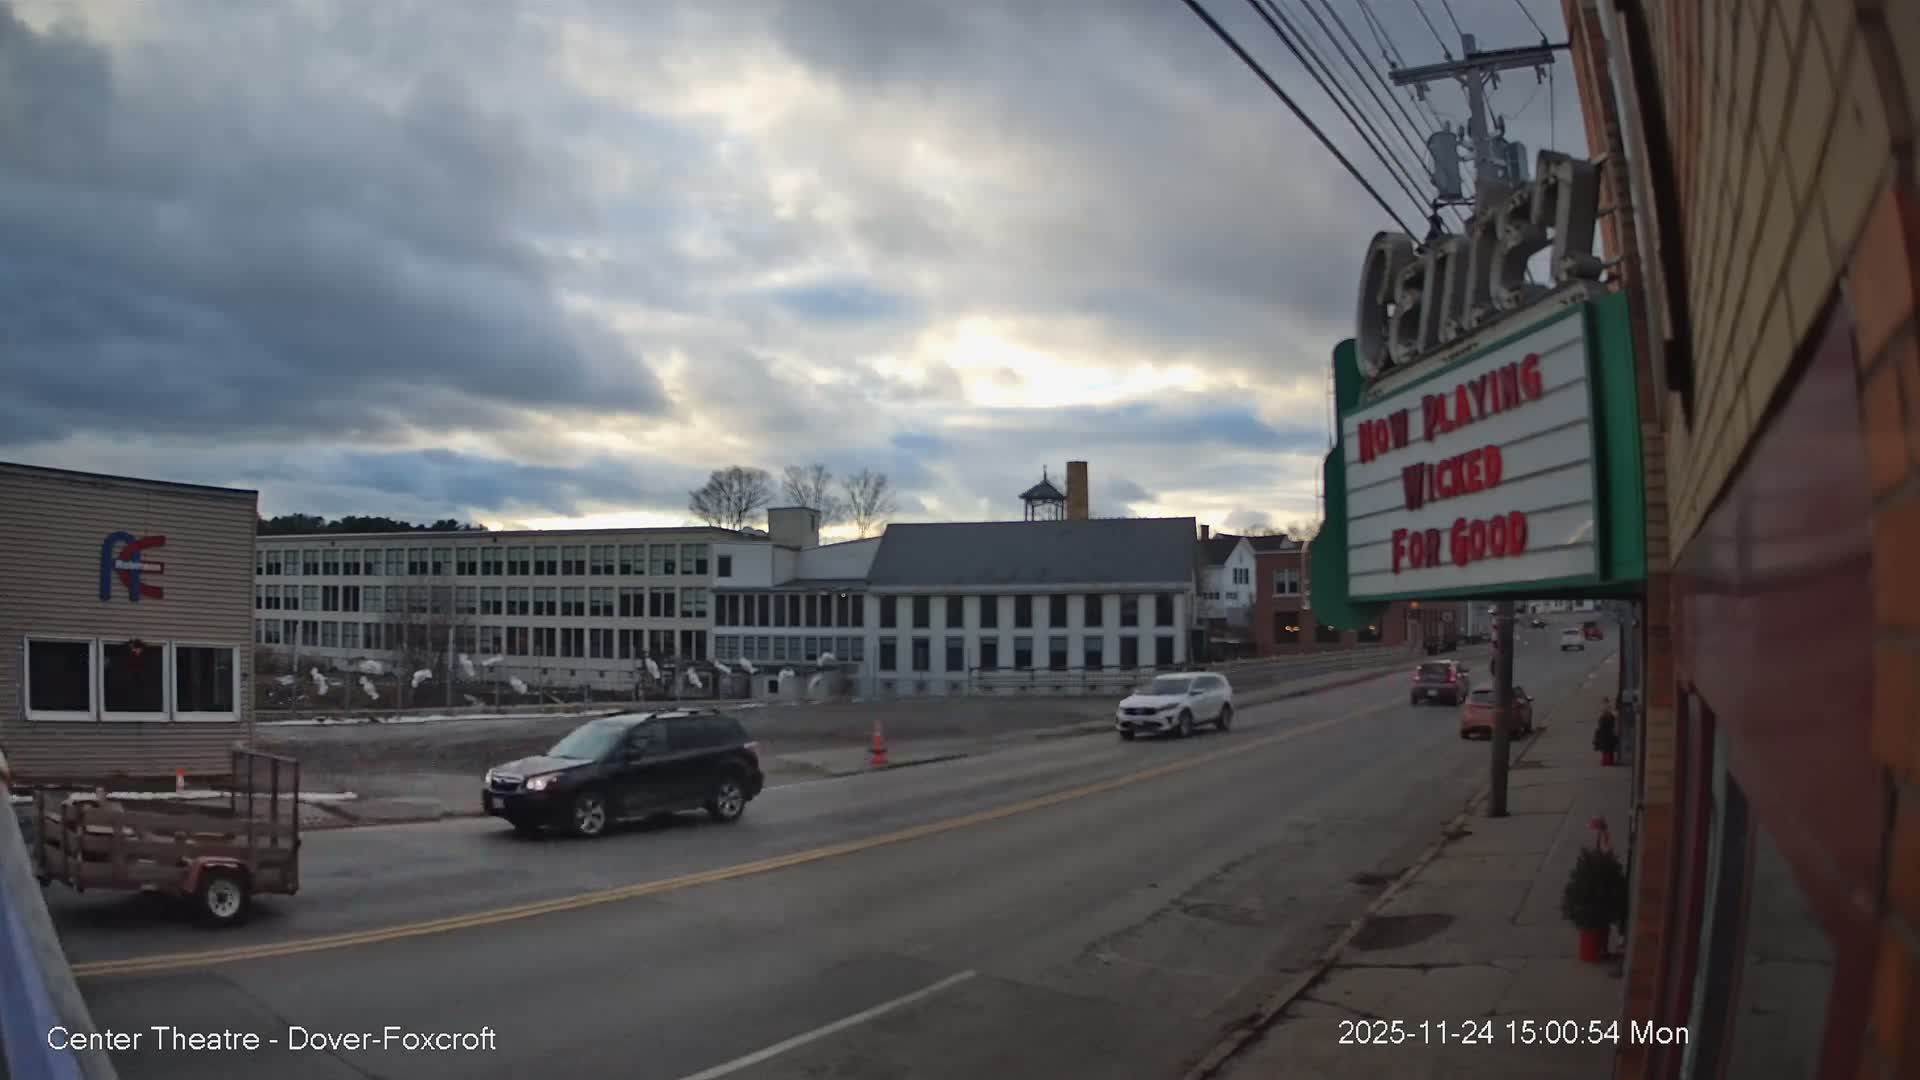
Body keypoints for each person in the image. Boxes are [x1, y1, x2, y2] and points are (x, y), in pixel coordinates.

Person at [1594, 697, 1620, 763]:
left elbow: (1601, 723)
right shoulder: (1609, 713)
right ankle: (1608, 760)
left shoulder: (1605, 715)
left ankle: (1606, 761)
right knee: (1608, 749)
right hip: (1608, 734)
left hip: (1605, 734)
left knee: (1605, 749)